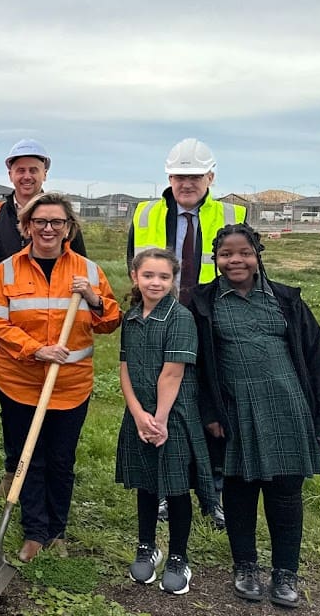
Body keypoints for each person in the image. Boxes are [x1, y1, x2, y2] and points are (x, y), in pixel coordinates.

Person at [191, 224, 320, 608]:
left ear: (257, 255)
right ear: (216, 259)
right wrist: (209, 412)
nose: (235, 260)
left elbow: (318, 362)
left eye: (244, 253)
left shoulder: (286, 300)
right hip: (235, 411)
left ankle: (285, 573)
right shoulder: (203, 303)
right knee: (239, 492)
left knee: (286, 495)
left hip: (289, 408)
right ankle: (245, 567)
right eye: (227, 254)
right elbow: (197, 369)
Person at [0, 192, 120, 562]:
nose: (48, 229)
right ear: (26, 228)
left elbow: (109, 322)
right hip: (19, 383)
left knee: (61, 459)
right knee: (29, 458)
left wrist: (93, 299)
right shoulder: (7, 270)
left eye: (56, 222)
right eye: (40, 222)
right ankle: (34, 531)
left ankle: (56, 531)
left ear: (68, 229)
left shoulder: (88, 272)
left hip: (70, 386)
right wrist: (35, 349)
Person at [127, 137, 245, 527]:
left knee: (214, 404)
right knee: (161, 402)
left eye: (194, 176)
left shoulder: (232, 214)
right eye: (179, 176)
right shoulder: (145, 214)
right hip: (161, 321)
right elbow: (136, 268)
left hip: (213, 323)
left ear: (210, 176)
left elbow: (245, 267)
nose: (186, 183)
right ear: (169, 177)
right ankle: (162, 487)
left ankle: (213, 491)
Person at [0, 138, 86, 498]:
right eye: (19, 169)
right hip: (5, 325)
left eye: (33, 169)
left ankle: (43, 474)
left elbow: (80, 270)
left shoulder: (60, 216)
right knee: (12, 404)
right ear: (9, 173)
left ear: (45, 172)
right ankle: (14, 472)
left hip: (52, 331)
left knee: (52, 413)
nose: (26, 176)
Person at [116, 248, 216, 595]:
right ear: (135, 277)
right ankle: (147, 546)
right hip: (140, 416)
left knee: (175, 489)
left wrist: (157, 421)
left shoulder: (180, 318)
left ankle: (178, 557)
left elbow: (172, 373)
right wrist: (136, 413)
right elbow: (125, 368)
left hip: (171, 417)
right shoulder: (130, 318)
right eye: (148, 275)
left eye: (163, 276)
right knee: (146, 484)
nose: (155, 282)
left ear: (174, 280)